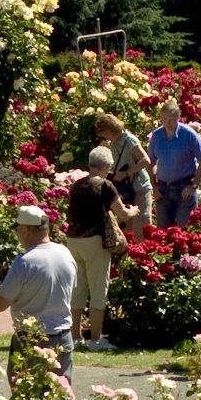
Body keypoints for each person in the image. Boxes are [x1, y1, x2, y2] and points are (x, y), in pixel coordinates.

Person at [65, 146, 139, 351]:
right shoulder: (106, 186)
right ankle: (96, 339)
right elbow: (122, 213)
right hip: (95, 240)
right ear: (107, 166)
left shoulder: (77, 185)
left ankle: (75, 337)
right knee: (98, 289)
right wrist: (133, 211)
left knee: (77, 289)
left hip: (73, 240)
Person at [0, 205, 77, 385]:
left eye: (17, 230)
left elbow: (0, 304)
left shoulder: (24, 262)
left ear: (24, 230)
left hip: (32, 340)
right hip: (63, 336)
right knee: (62, 395)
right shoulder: (65, 253)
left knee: (26, 398)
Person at [147, 99, 201, 228]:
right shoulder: (156, 136)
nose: (168, 123)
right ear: (161, 118)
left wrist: (194, 185)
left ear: (178, 118)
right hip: (163, 189)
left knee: (184, 230)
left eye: (172, 119)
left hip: (184, 188)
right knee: (162, 231)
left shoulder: (188, 135)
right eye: (165, 119)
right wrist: (154, 187)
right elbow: (150, 162)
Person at [97, 113, 153, 240]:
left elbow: (145, 160)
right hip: (124, 189)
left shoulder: (130, 140)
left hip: (140, 188)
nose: (105, 137)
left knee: (141, 228)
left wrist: (126, 173)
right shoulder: (112, 144)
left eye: (105, 134)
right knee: (124, 229)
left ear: (111, 129)